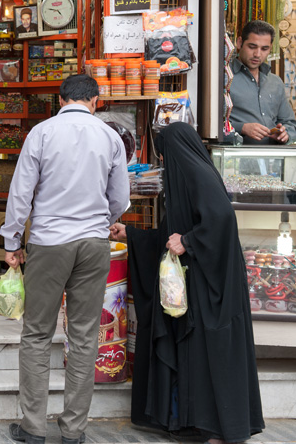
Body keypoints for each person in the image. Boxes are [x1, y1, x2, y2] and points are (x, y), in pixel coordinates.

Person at [109, 122, 264, 444]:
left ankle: (220, 431)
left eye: (165, 158)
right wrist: (134, 235)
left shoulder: (199, 177)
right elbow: (170, 236)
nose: (165, 165)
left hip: (212, 291)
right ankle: (194, 423)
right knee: (197, 355)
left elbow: (220, 219)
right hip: (197, 287)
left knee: (213, 355)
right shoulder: (190, 180)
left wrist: (190, 242)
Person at [1, 74, 130, 444]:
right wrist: (101, 221)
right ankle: (73, 430)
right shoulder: (110, 137)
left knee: (38, 333)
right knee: (86, 336)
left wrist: (11, 240)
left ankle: (33, 427)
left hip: (49, 242)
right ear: (95, 101)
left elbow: (21, 192)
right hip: (93, 243)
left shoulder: (42, 133)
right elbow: (120, 197)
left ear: (61, 100)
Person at [229, 20, 296, 144]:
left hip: (272, 158)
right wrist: (242, 128)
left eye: (264, 49)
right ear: (239, 43)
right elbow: (211, 125)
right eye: (252, 47)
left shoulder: (275, 82)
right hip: (235, 158)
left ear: (270, 49)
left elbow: (290, 123)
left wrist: (285, 134)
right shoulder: (225, 77)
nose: (257, 54)